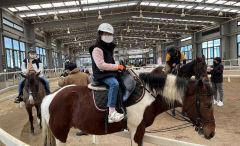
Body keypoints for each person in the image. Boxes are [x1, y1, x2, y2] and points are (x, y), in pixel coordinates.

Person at [89, 23, 124, 123]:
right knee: (114, 83)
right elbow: (101, 65)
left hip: (109, 72)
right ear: (100, 34)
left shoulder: (109, 48)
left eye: (110, 34)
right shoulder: (96, 49)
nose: (108, 35)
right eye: (106, 33)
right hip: (101, 73)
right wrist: (117, 67)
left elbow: (112, 61)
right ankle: (111, 113)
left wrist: (119, 68)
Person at [58, 61, 91, 136]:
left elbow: (60, 84)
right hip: (86, 97)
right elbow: (90, 84)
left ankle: (83, 129)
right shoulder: (85, 75)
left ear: (69, 70)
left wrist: (61, 78)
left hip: (75, 100)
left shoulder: (68, 78)